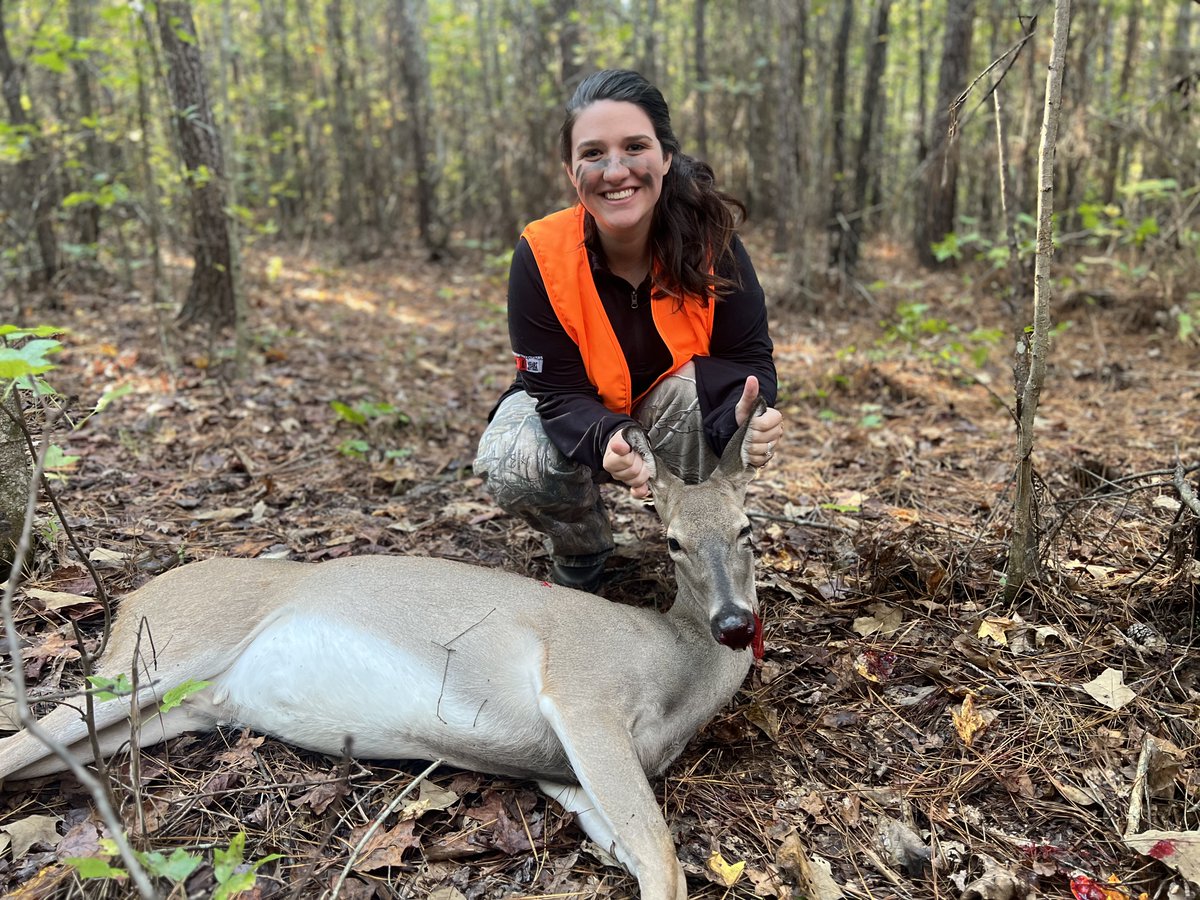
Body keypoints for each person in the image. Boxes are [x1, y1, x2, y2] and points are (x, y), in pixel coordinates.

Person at [475, 69, 784, 592]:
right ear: (572, 171)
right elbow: (552, 391)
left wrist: (744, 414)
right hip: (576, 418)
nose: (615, 170)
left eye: (634, 147)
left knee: (702, 393)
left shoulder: (715, 243)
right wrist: (608, 436)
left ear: (665, 156)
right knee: (513, 458)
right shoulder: (541, 253)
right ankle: (583, 547)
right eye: (593, 153)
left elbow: (750, 359)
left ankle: (702, 546)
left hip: (675, 413)